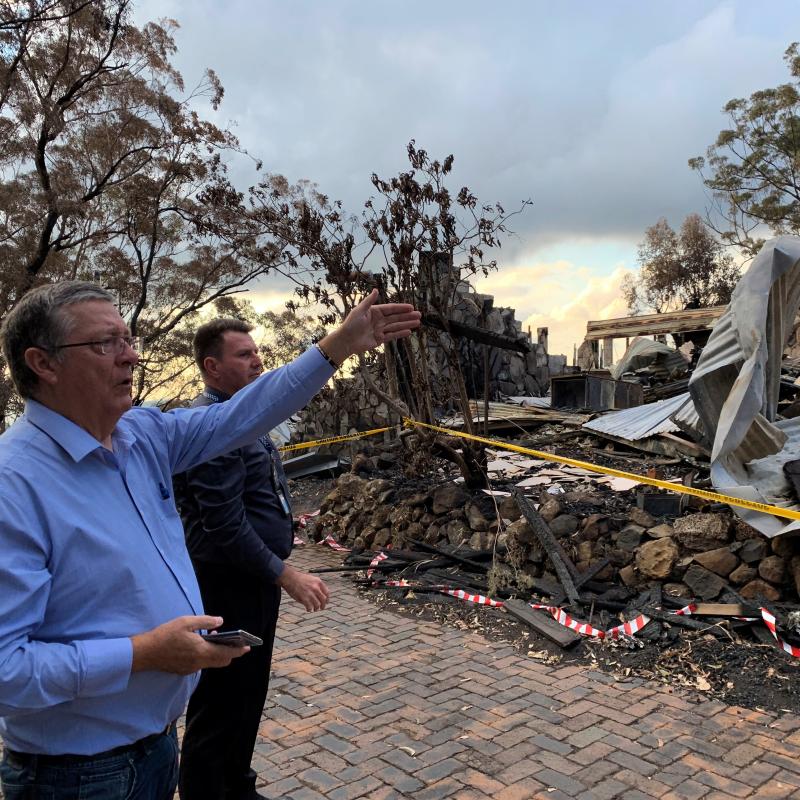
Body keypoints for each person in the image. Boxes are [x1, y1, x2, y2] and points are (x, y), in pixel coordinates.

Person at [0, 280, 420, 800]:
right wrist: (142, 654)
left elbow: (243, 413)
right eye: (105, 343)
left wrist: (335, 348)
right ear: (43, 363)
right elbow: (6, 671)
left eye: (129, 339)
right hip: (74, 777)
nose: (130, 356)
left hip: (155, 751)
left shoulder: (141, 437)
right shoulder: (12, 484)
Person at [174, 318, 330, 800]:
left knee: (246, 693)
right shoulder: (212, 427)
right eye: (243, 355)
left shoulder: (242, 416)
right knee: (223, 695)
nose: (257, 360)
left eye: (256, 351)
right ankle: (209, 791)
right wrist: (286, 574)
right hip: (228, 583)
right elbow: (223, 524)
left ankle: (235, 785)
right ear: (212, 367)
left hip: (249, 579)